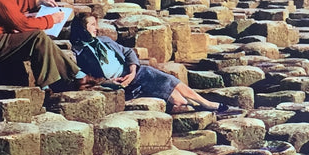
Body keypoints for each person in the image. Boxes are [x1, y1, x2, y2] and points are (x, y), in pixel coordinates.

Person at [69, 13, 237, 115]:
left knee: (166, 79)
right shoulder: (78, 52)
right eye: (92, 25)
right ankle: (198, 105)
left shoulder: (104, 40)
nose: (96, 28)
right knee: (179, 101)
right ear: (82, 28)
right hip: (118, 84)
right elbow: (82, 80)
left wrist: (133, 70)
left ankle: (207, 104)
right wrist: (106, 83)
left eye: (96, 25)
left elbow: (127, 52)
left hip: (135, 74)